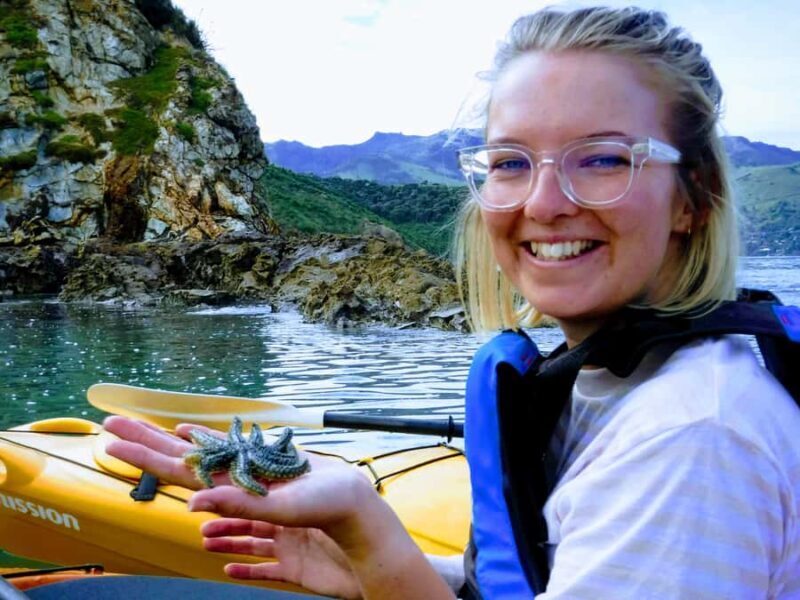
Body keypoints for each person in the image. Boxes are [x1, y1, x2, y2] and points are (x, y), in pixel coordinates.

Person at [105, 6, 800, 599]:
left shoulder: (692, 436)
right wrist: (364, 549)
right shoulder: (624, 380)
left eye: (603, 158)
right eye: (509, 162)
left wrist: (372, 540)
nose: (544, 202)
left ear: (695, 197)